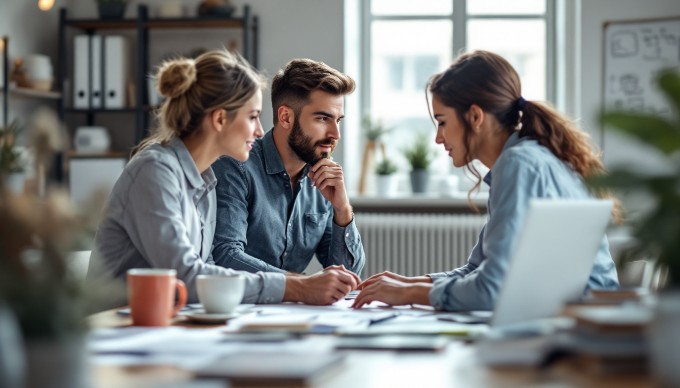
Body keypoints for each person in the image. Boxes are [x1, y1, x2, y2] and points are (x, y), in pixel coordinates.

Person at [88, 50, 360, 309]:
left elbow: (208, 270)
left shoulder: (204, 181)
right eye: (253, 116)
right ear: (219, 119)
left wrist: (342, 211)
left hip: (163, 324)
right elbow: (189, 276)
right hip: (114, 331)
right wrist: (299, 287)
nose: (260, 130)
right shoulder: (155, 172)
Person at [354, 50, 619, 311]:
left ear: (475, 116)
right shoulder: (521, 159)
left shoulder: (518, 164)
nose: (438, 138)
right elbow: (477, 269)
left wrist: (410, 293)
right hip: (570, 315)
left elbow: (491, 290)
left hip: (585, 325)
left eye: (442, 122)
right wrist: (412, 282)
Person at [211, 58, 365, 276]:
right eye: (323, 118)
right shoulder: (236, 167)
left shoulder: (324, 178)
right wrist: (301, 286)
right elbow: (225, 256)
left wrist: (343, 210)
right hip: (243, 306)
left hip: (291, 309)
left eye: (338, 120)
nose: (335, 134)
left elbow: (348, 275)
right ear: (286, 117)